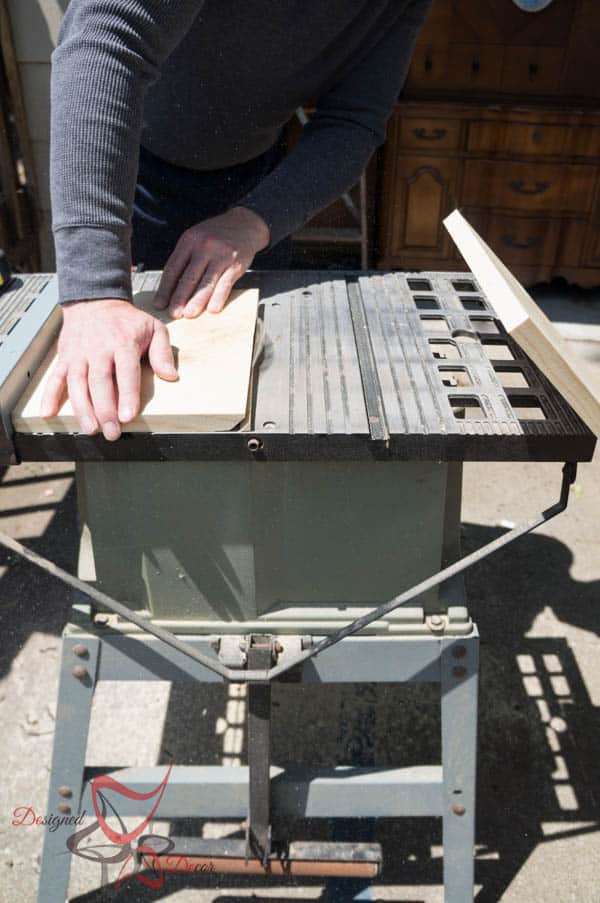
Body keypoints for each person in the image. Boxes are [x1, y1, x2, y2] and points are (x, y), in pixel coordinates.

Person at [42, 0, 432, 440]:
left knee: (252, 407)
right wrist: (95, 291)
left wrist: (256, 220)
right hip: (131, 177)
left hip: (257, 184)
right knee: (132, 412)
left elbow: (354, 120)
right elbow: (106, 41)